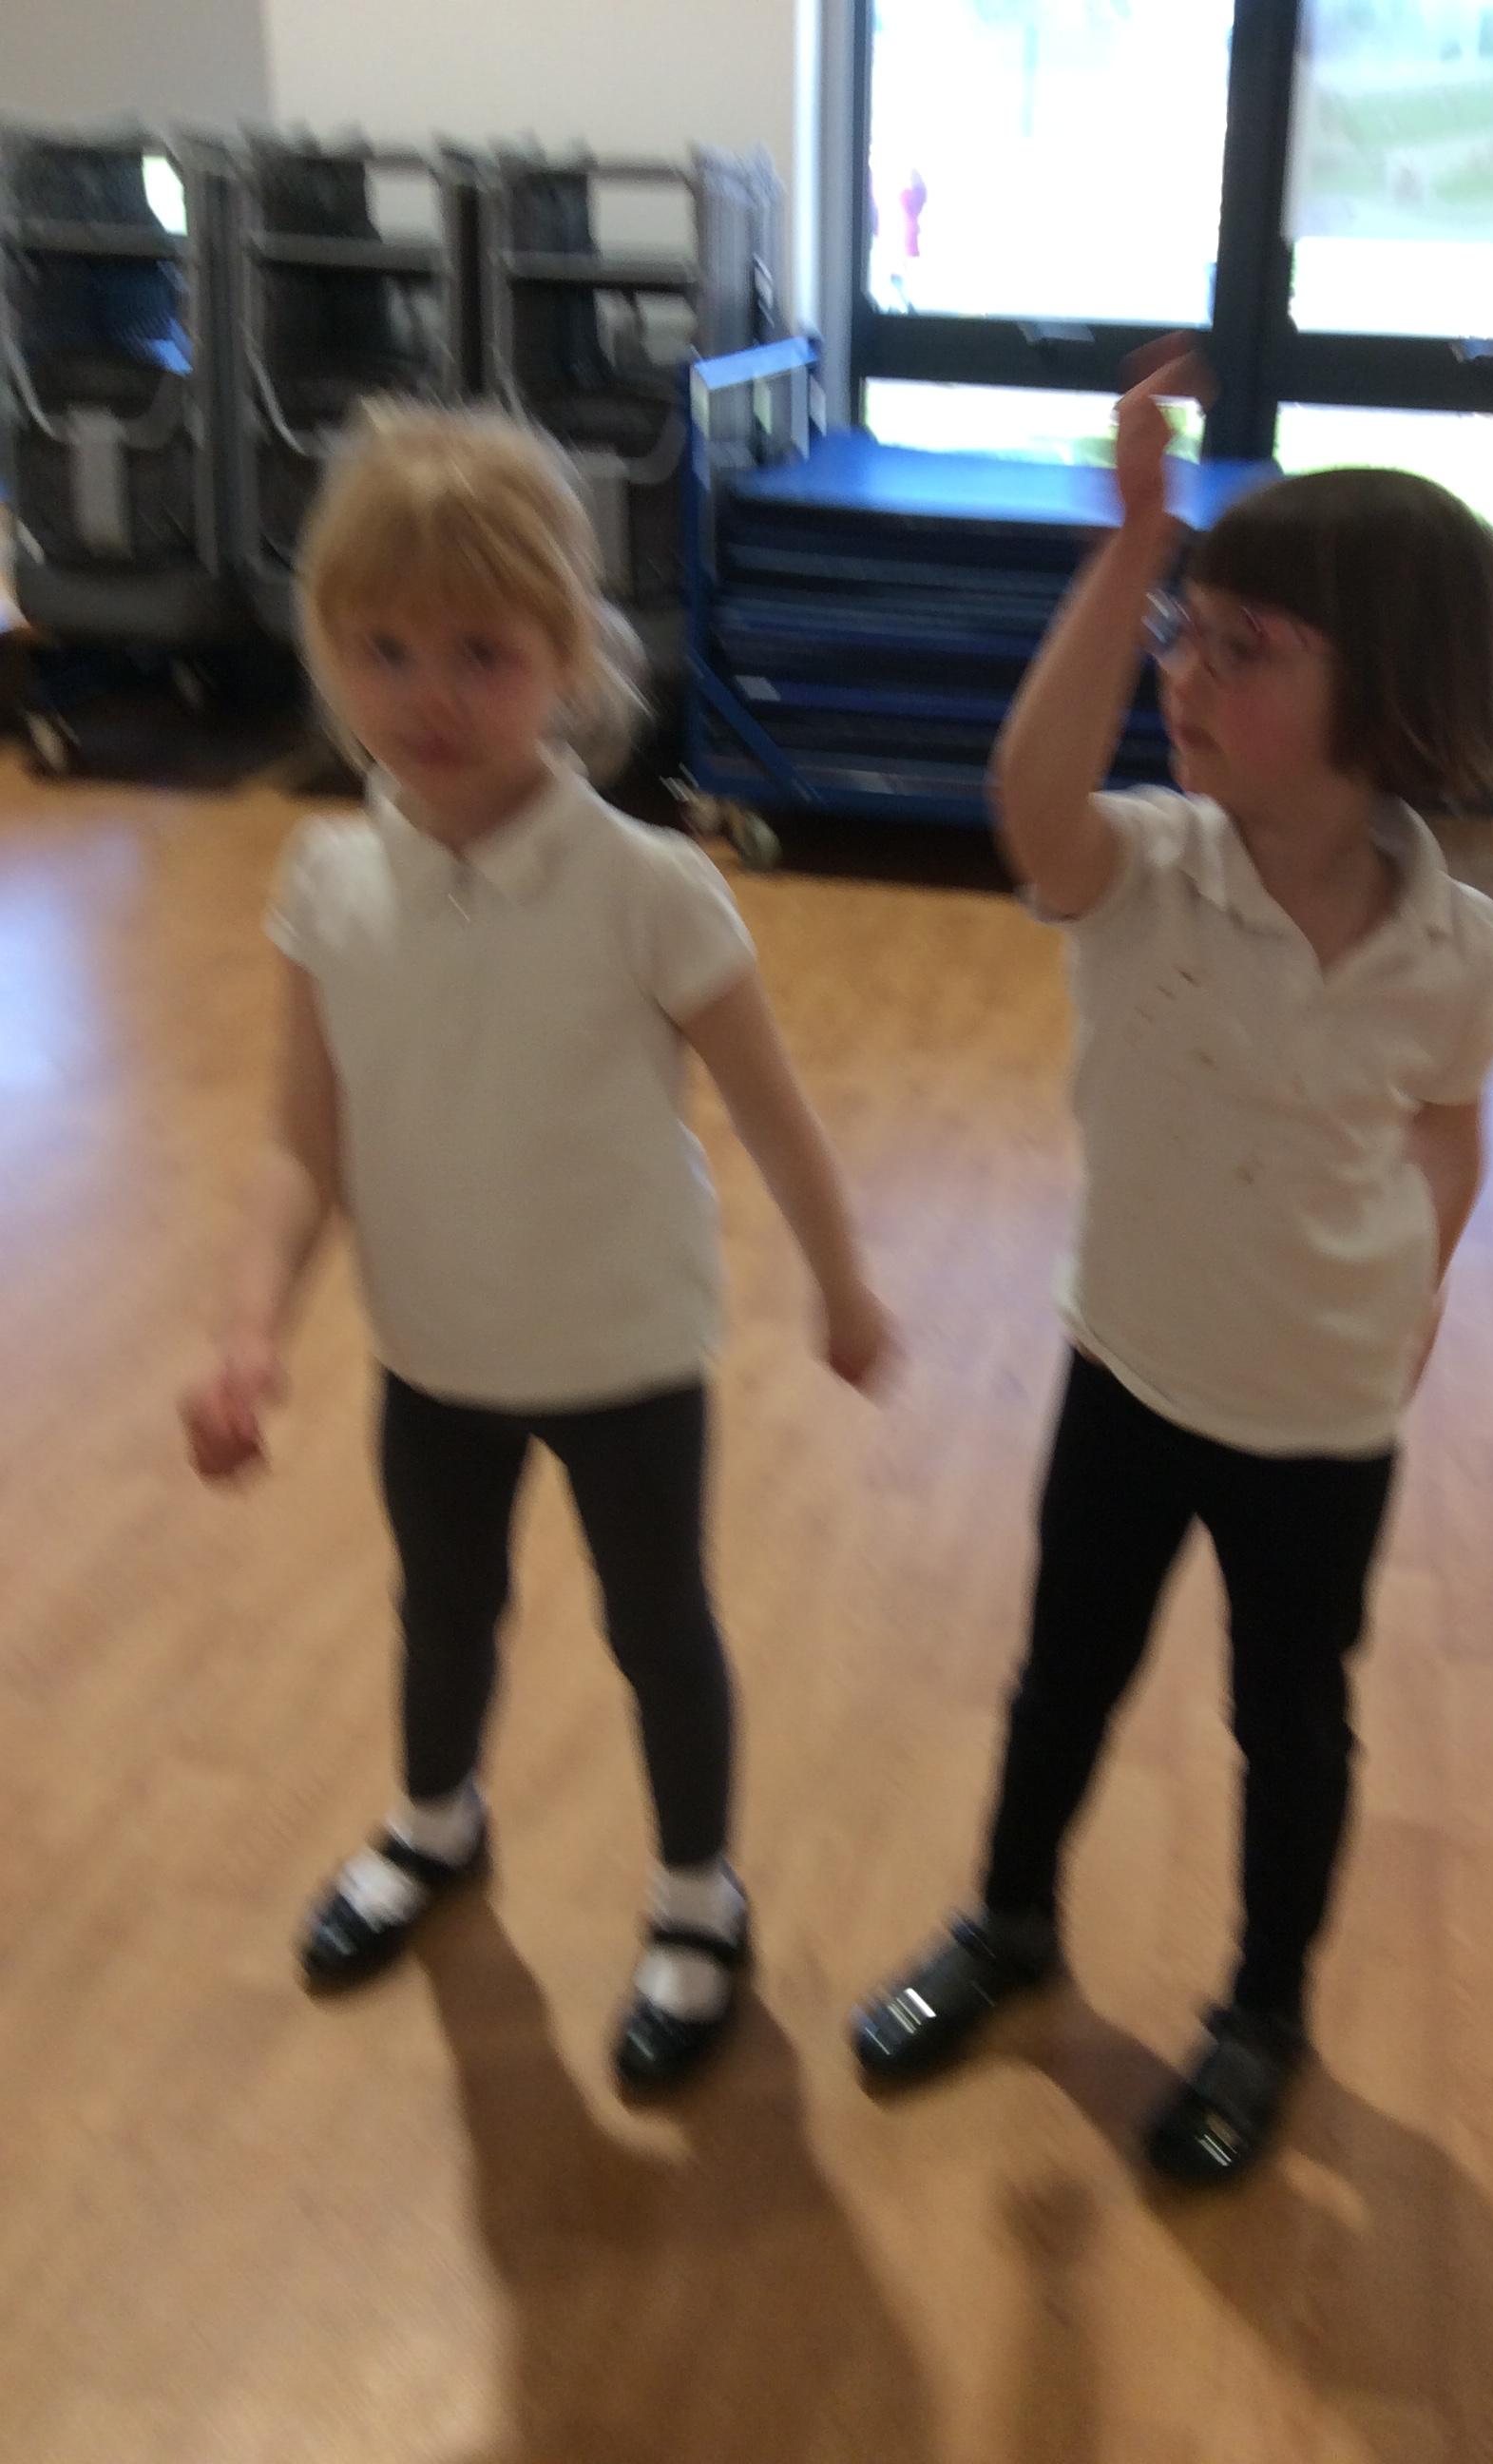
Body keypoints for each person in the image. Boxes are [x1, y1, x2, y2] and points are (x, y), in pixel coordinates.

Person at [851, 342, 1493, 2184]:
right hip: (1131, 1366)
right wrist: (1133, 544)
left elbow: (1448, 1125)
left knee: (1288, 1721)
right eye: (1187, 635)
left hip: (1318, 1414)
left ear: (1388, 698)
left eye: (1247, 648)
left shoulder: (1457, 952)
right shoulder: (1142, 870)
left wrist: (1422, 1282)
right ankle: (1008, 1924)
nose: (1187, 675)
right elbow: (1029, 795)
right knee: (1061, 1674)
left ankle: (1262, 2013)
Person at [182, 404, 890, 2089]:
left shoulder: (648, 888)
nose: (428, 693)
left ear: (568, 658)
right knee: (444, 1608)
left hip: (624, 1349)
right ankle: (435, 1821)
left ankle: (699, 1896)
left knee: (659, 1629)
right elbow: (300, 1142)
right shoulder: (326, 880)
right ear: (329, 649)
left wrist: (846, 1287)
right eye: (385, 648)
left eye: (482, 653)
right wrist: (249, 1326)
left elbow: (777, 1115)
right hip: (435, 1350)